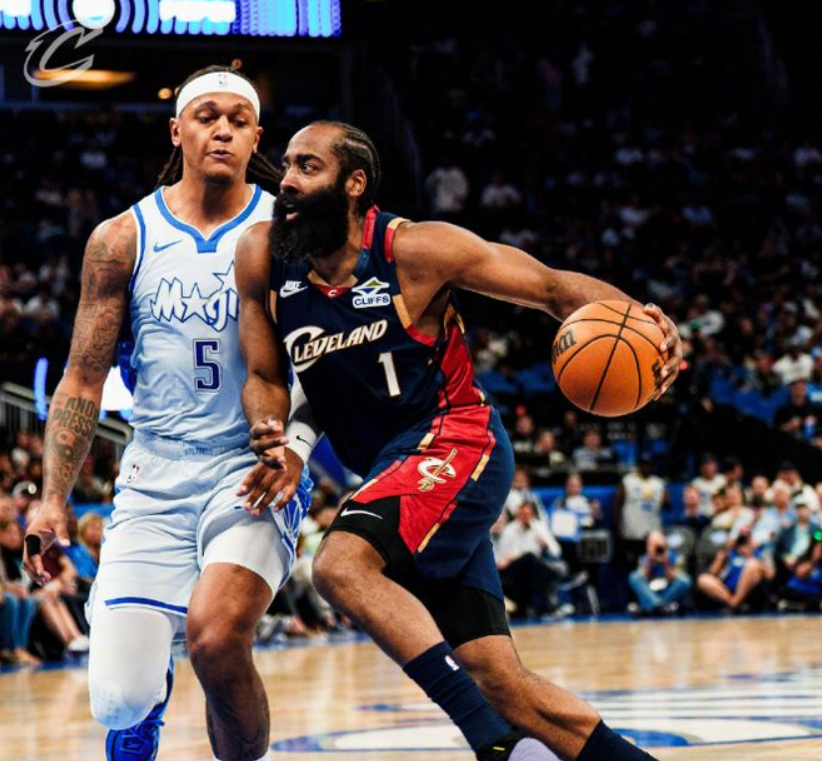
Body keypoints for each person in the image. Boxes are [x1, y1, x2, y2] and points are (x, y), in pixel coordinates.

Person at [236, 121, 682, 761]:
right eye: (287, 166)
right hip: (393, 471)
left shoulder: (416, 251)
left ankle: (491, 745)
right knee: (501, 682)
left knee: (340, 565)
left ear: (354, 184)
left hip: (457, 441)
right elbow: (263, 376)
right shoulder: (263, 256)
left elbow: (553, 289)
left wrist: (646, 324)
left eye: (308, 167)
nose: (287, 181)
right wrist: (272, 434)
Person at [22, 66, 316, 761]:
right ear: (176, 130)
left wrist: (297, 447)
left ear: (257, 138)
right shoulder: (121, 237)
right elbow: (82, 379)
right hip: (153, 471)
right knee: (118, 697)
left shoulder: (289, 233)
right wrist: (53, 498)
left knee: (217, 639)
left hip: (250, 469)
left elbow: (321, 360)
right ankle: (144, 710)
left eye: (238, 120)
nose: (222, 130)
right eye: (207, 116)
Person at [628, 531, 691, 615]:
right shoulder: (644, 559)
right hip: (651, 593)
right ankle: (661, 607)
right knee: (633, 577)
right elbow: (644, 579)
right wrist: (650, 561)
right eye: (652, 544)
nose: (656, 548)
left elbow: (672, 579)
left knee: (685, 580)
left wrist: (665, 563)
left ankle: (653, 607)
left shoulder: (676, 558)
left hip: (668, 592)